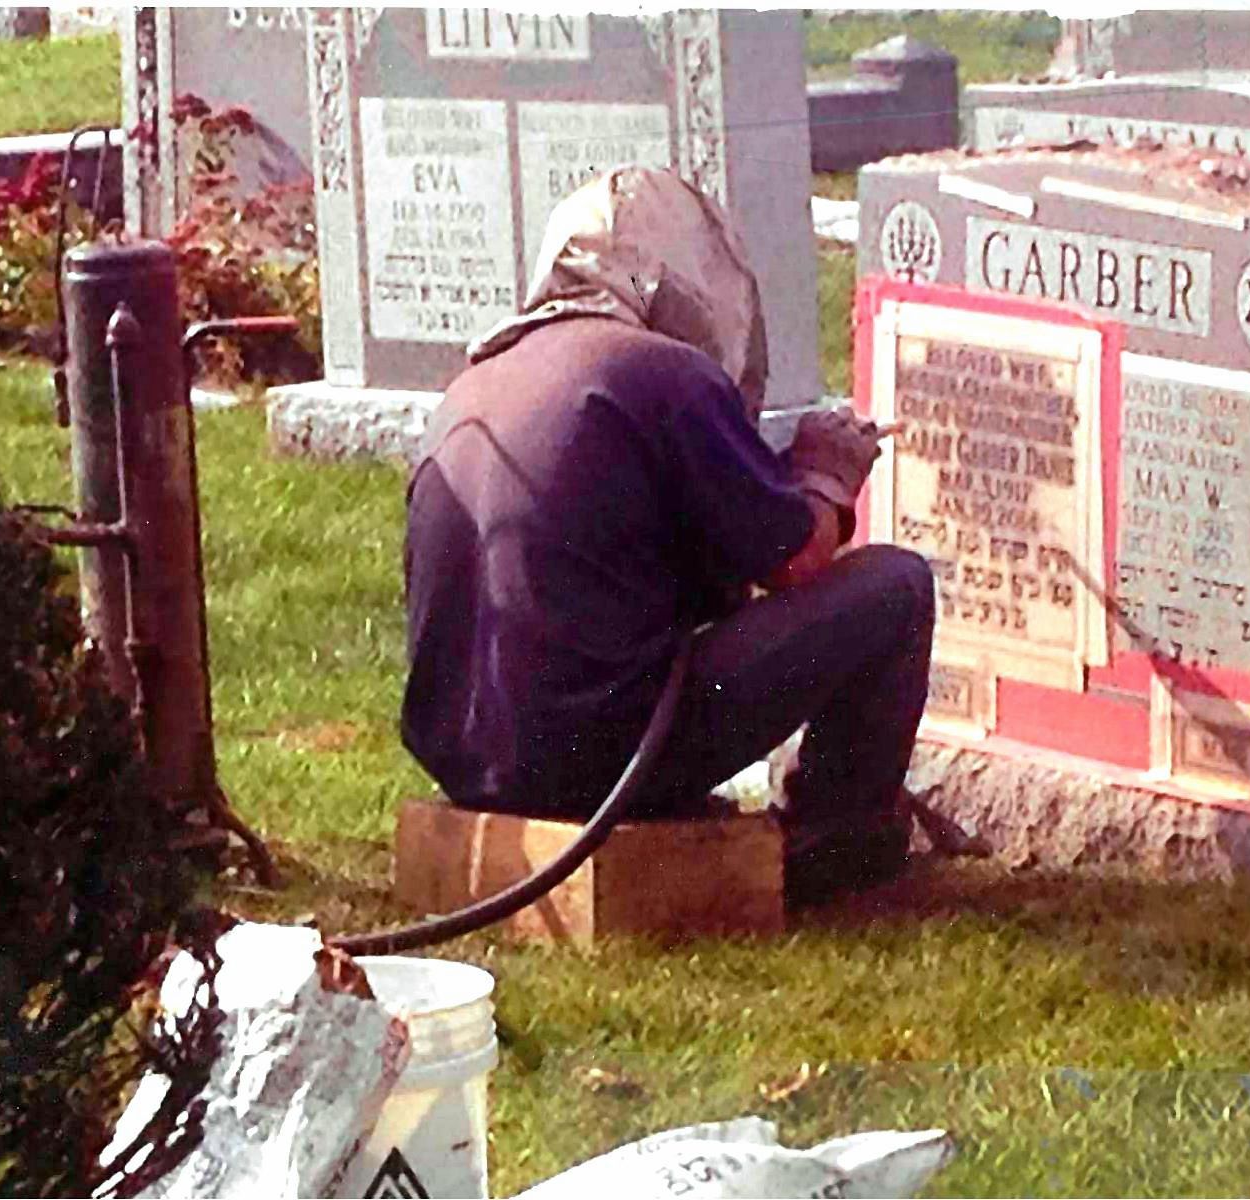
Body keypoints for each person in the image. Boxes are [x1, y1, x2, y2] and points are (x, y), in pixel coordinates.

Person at [400, 166, 937, 903]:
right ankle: (836, 840)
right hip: (602, 760)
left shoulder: (472, 386)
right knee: (895, 586)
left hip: (464, 759)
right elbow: (796, 558)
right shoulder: (663, 371)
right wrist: (828, 473)